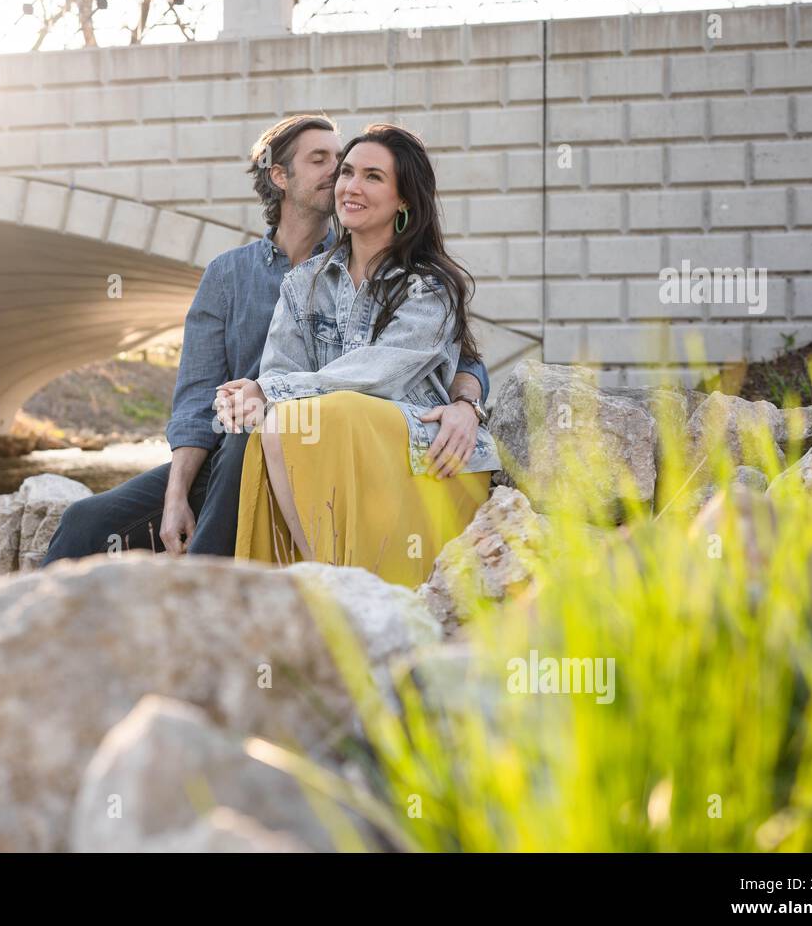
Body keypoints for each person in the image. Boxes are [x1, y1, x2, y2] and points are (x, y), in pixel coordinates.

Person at [40, 114, 490, 565]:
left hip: (303, 444)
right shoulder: (246, 276)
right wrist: (176, 496)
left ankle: (205, 588)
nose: (341, 176)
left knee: (254, 433)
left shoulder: (421, 281)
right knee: (85, 522)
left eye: (355, 167)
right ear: (279, 175)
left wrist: (467, 406)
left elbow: (450, 358)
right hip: (241, 450)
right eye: (330, 163)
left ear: (402, 198)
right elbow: (198, 399)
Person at [218, 124, 501, 587]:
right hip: (334, 446)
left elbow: (379, 377)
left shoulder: (429, 286)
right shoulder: (302, 283)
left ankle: (337, 588)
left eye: (373, 177)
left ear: (404, 199)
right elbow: (281, 370)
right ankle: (321, 579)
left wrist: (267, 390)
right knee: (278, 424)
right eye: (347, 172)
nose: (351, 186)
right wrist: (254, 393)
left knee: (311, 413)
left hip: (423, 454)